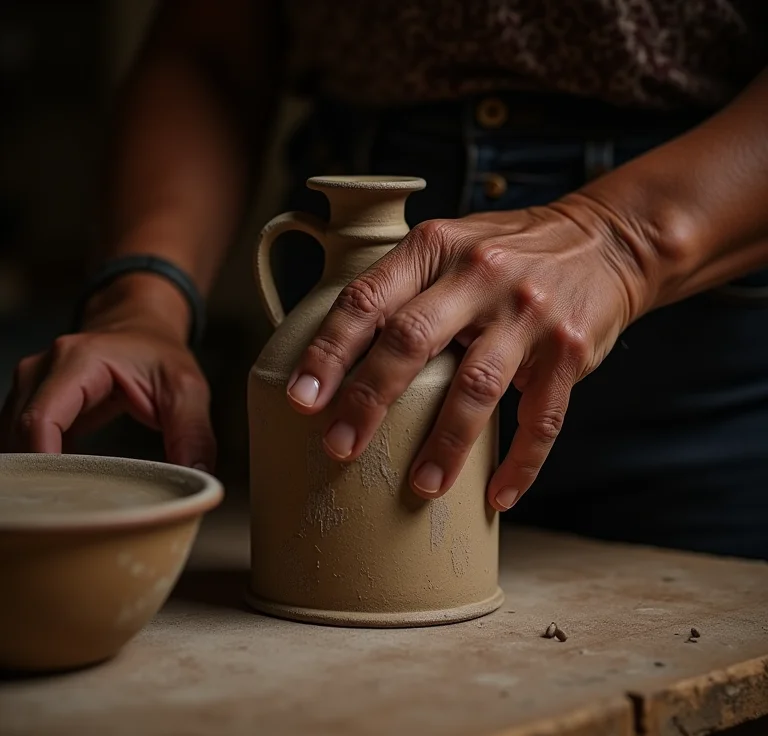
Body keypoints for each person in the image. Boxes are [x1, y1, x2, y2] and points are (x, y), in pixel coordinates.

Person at [2, 1, 767, 558]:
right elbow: (212, 47)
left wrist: (622, 240)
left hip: (695, 269)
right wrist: (145, 299)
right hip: (346, 292)